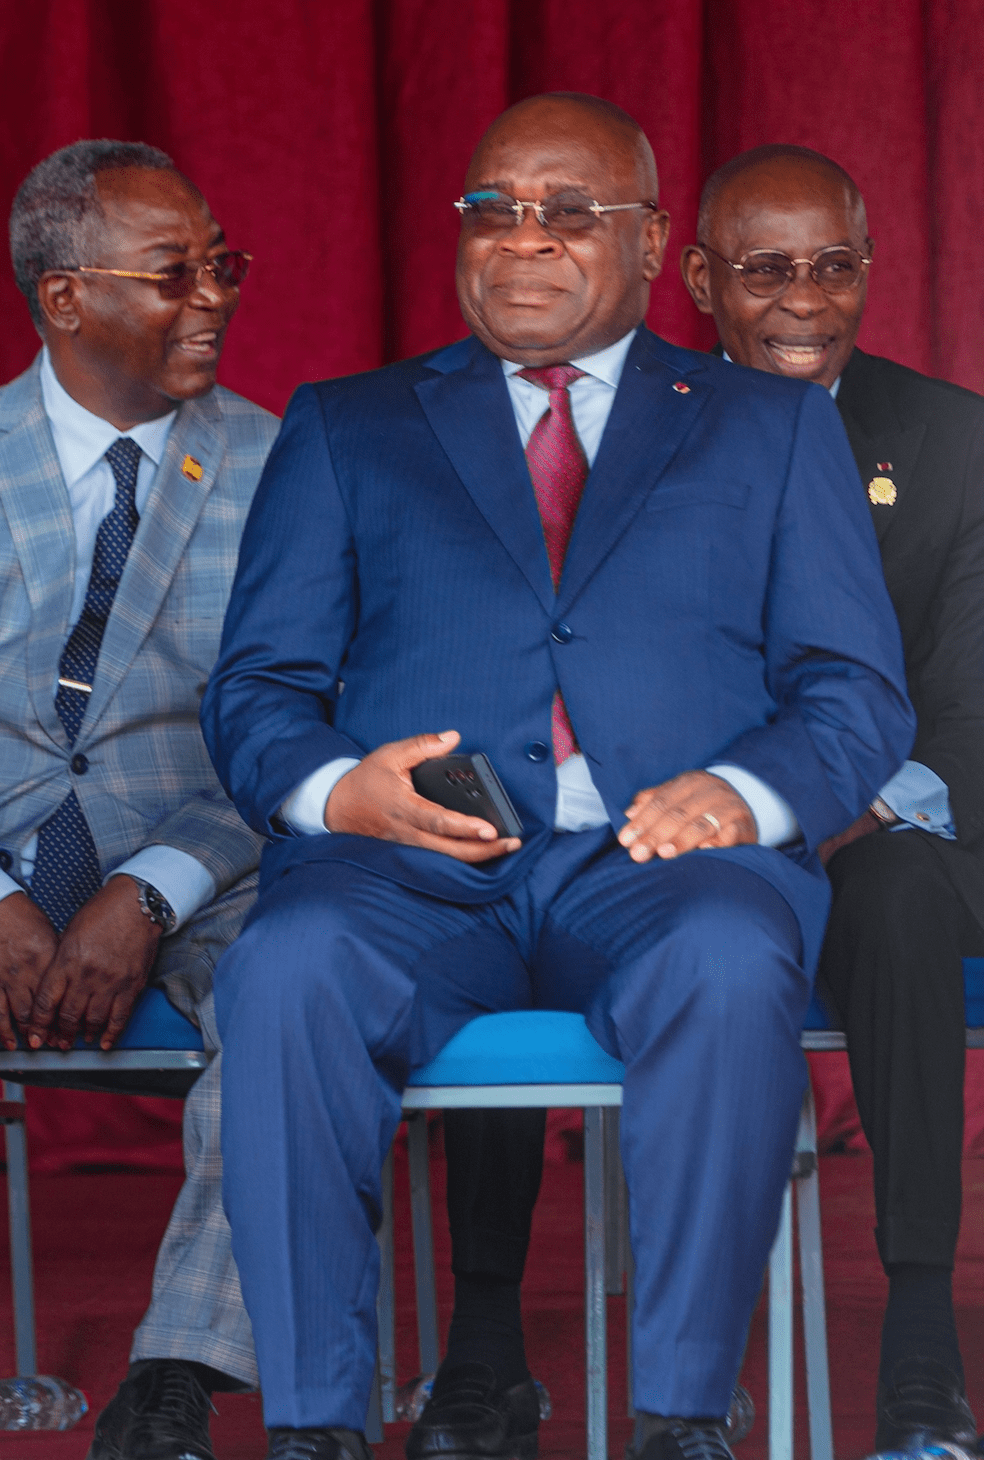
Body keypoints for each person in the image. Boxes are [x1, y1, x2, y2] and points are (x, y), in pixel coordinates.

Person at [202, 94, 914, 1460]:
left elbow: (853, 688)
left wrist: (748, 797)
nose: (523, 240)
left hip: (660, 875)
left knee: (728, 956)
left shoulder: (768, 429)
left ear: (653, 247)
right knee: (283, 969)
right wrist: (338, 793)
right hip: (408, 874)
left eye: (567, 211)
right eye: (494, 209)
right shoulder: (351, 425)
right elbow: (258, 688)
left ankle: (679, 1415)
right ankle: (313, 1428)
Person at [677, 144, 984, 1460]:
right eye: (766, 269)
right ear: (698, 279)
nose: (805, 298)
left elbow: (969, 698)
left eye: (834, 266)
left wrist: (854, 804)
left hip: (895, 827)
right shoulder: (632, 438)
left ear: (868, 270)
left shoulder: (950, 438)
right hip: (698, 825)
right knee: (523, 879)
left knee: (908, 897)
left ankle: (920, 1335)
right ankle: (494, 1345)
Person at [0, 140, 279, 1460]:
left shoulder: (283, 467)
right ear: (63, 296)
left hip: (203, 852)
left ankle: (175, 1370)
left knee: (297, 991)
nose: (216, 295)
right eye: (177, 274)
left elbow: (289, 732)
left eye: (220, 264)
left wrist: (152, 887)